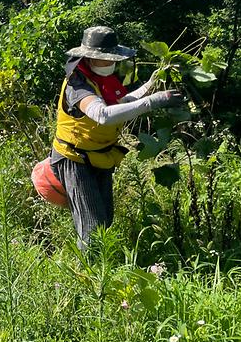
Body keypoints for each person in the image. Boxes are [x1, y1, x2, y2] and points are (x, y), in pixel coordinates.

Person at [50, 26, 185, 250]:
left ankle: (102, 270)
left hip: (99, 157)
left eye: (112, 59)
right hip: (73, 158)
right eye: (105, 59)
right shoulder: (78, 84)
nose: (110, 63)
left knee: (105, 220)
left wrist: (152, 84)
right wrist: (152, 102)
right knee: (92, 227)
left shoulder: (105, 80)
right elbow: (102, 114)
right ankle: (89, 277)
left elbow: (122, 102)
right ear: (89, 57)